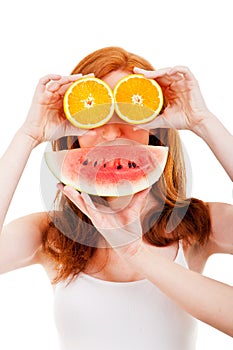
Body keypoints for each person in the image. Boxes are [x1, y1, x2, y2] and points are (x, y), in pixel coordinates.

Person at [0, 47, 232, 349]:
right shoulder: (48, 234)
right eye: (93, 113)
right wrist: (28, 135)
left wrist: (202, 121)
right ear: (73, 129)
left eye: (129, 111)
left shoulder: (200, 225)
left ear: (155, 127)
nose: (110, 133)